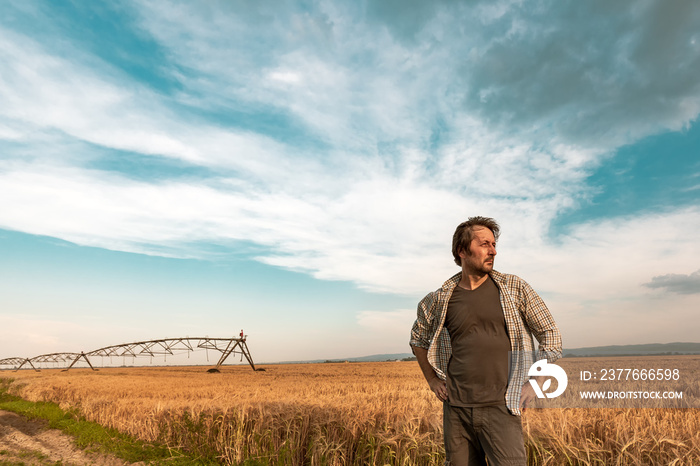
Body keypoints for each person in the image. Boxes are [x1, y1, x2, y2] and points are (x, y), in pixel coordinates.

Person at [409, 216, 562, 465]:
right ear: (462, 251)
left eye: (493, 244)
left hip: (501, 406)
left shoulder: (514, 288)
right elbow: (418, 340)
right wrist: (432, 379)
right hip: (456, 409)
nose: (493, 251)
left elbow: (550, 334)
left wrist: (537, 381)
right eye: (484, 244)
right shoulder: (438, 300)